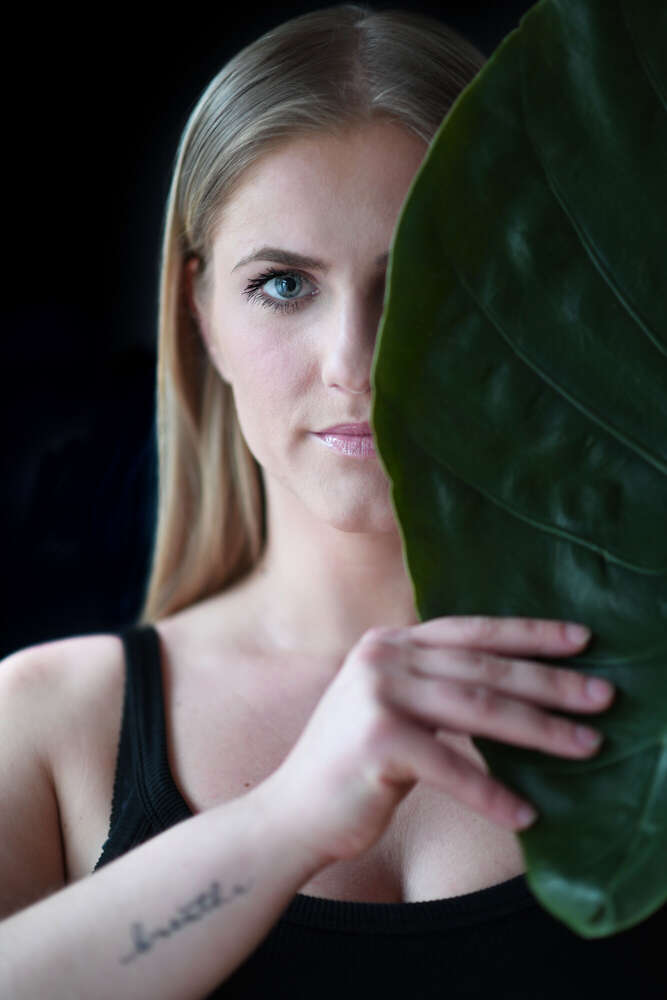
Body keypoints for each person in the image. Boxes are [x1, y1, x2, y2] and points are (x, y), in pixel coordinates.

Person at [1, 5, 663, 998]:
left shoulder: (654, 703)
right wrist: (288, 819)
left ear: (514, 299)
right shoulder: (48, 721)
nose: (353, 363)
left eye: (418, 285)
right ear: (200, 313)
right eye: (281, 284)